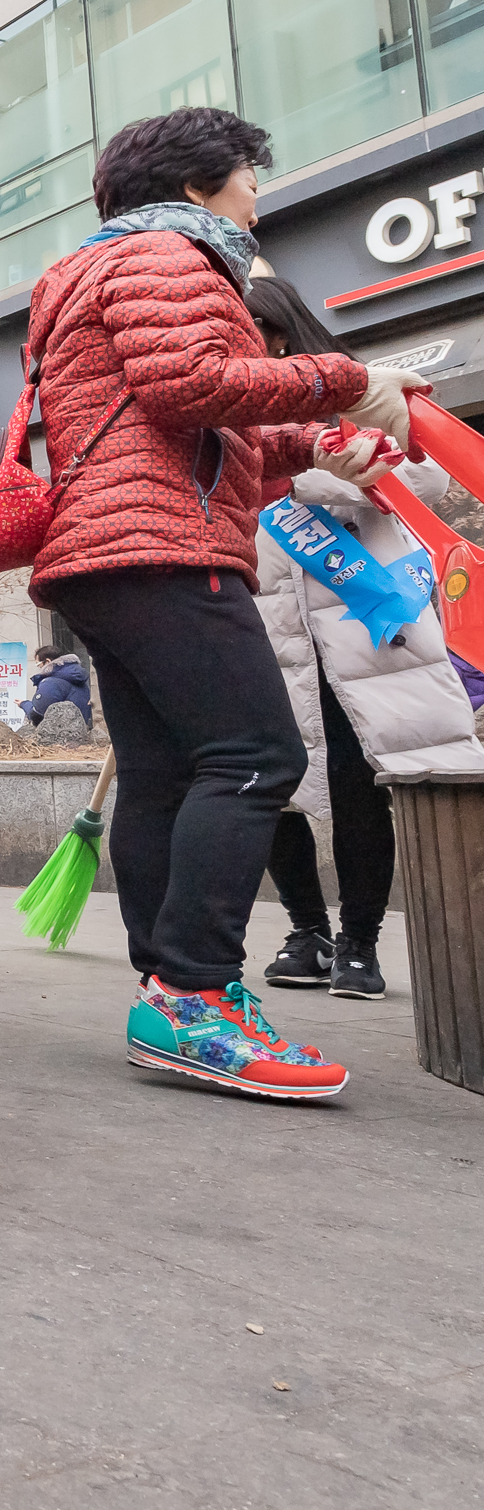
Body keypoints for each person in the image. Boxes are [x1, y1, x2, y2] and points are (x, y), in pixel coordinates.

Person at [26, 106, 424, 1099]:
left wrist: (315, 444)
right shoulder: (169, 255)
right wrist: (348, 383)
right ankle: (192, 997)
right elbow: (186, 386)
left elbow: (188, 427)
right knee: (257, 754)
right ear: (206, 179)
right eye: (251, 173)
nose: (258, 192)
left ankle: (170, 987)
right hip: (157, 546)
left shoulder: (102, 262)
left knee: (166, 771)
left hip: (108, 549)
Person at [240, 276, 484, 1001]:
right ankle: (306, 933)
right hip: (269, 630)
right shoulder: (218, 411)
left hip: (365, 631)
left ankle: (359, 944)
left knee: (360, 788)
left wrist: (318, 466)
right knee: (273, 786)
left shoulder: (355, 389)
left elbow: (431, 481)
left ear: (278, 335)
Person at [21, 645, 90, 726]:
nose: (39, 668)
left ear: (47, 662)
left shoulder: (51, 682)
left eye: (38, 665)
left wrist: (24, 704)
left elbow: (37, 716)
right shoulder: (77, 678)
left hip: (60, 733)